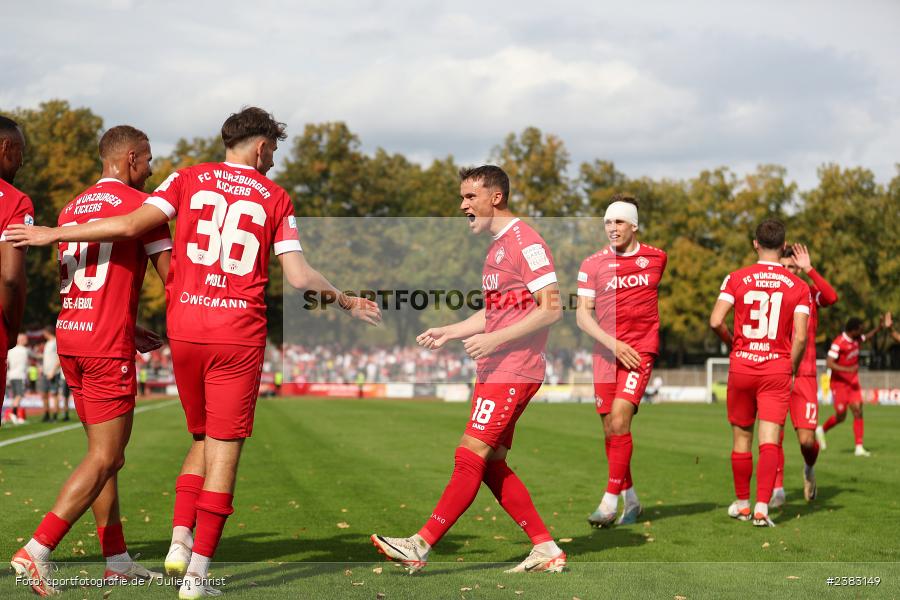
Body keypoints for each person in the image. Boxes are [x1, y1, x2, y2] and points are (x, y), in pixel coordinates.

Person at [8, 107, 381, 599]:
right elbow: (298, 276)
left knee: (183, 441)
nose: (273, 161)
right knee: (212, 451)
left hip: (161, 332)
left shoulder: (179, 180)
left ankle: (148, 550)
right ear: (263, 147)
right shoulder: (276, 197)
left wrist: (56, 233)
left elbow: (125, 229)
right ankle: (193, 575)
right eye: (273, 152)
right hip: (233, 333)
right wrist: (348, 300)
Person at [371, 165, 567, 574]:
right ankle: (546, 548)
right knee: (492, 463)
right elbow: (496, 315)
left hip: (514, 368)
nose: (462, 205)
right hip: (499, 368)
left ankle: (420, 543)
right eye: (462, 197)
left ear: (495, 197)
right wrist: (451, 330)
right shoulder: (496, 247)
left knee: (469, 453)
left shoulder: (525, 242)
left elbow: (552, 308)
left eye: (469, 197)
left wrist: (496, 341)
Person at [11, 125, 171, 596]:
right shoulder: (143, 210)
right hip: (103, 347)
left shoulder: (72, 207)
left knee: (105, 458)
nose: (152, 168)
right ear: (131, 159)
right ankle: (37, 551)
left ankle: (117, 559)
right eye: (148, 159)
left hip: (73, 338)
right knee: (107, 456)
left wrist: (127, 323)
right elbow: (174, 277)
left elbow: (89, 282)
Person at [709, 219, 811, 527]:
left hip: (742, 365)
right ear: (784, 246)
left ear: (755, 244)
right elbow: (802, 336)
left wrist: (735, 345)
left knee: (742, 439)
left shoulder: (736, 278)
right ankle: (762, 508)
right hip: (776, 369)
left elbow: (716, 321)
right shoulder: (799, 286)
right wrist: (790, 367)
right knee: (769, 440)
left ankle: (741, 504)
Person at [575, 193, 667, 527]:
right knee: (610, 431)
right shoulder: (591, 264)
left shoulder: (657, 258)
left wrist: (627, 344)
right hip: (606, 351)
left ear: (634, 225)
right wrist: (612, 343)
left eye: (618, 222)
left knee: (620, 420)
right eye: (607, 223)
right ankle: (632, 500)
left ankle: (608, 503)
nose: (611, 229)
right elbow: (583, 317)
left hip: (639, 352)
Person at [768, 243, 838, 504]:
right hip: (776, 373)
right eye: (784, 266)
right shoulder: (771, 292)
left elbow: (831, 298)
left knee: (807, 441)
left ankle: (809, 468)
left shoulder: (809, 293)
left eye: (793, 267)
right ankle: (777, 490)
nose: (788, 271)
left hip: (805, 376)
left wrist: (810, 268)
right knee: (773, 435)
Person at [0, 115, 31, 427]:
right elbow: (10, 276)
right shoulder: (14, 201)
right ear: (5, 147)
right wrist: (11, 330)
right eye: (20, 151)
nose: (21, 161)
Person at [817, 317, 882, 456]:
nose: (862, 331)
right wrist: (847, 370)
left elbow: (868, 336)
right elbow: (829, 363)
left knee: (858, 411)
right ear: (853, 330)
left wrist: (879, 328)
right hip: (838, 384)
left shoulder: (857, 339)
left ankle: (859, 447)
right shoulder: (838, 343)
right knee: (841, 416)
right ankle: (822, 429)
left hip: (853, 383)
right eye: (860, 329)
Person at [5, 333, 29, 425]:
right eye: (25, 338)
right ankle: (13, 414)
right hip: (19, 376)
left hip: (11, 376)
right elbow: (35, 357)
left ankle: (15, 415)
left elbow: (8, 363)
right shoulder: (24, 350)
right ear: (20, 340)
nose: (26, 340)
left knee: (15, 396)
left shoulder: (11, 350)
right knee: (19, 396)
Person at [40, 326, 62, 422]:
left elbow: (59, 358)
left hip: (53, 373)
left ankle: (55, 415)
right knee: (44, 394)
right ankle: (46, 414)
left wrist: (53, 371)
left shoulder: (55, 342)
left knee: (54, 394)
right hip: (45, 372)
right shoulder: (47, 343)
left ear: (47, 332)